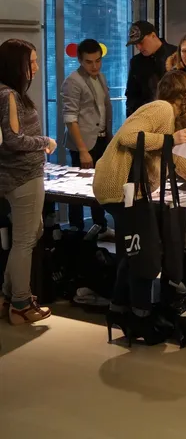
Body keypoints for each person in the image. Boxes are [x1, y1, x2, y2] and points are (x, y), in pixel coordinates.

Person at [94, 71, 186, 343]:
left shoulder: (166, 119)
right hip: (123, 190)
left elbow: (179, 164)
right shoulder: (161, 108)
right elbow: (128, 137)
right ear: (184, 94)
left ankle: (119, 311)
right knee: (145, 257)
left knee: (133, 254)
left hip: (122, 191)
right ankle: (141, 318)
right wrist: (171, 139)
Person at [0, 39, 57, 325]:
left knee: (29, 235)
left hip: (16, 176)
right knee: (25, 241)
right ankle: (21, 303)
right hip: (23, 176)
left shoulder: (9, 92)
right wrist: (44, 141)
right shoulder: (8, 94)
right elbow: (13, 139)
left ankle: (8, 296)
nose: (35, 67)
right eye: (31, 62)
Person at [61, 38, 114, 235]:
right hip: (82, 142)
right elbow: (70, 118)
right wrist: (83, 150)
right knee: (78, 188)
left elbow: (103, 108)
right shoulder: (73, 81)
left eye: (98, 61)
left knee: (99, 184)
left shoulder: (101, 77)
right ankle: (76, 229)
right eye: (89, 62)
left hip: (101, 138)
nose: (94, 66)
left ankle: (100, 226)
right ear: (80, 60)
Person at [126, 21, 177, 116]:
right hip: (146, 117)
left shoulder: (176, 55)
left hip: (175, 115)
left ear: (153, 35)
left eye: (141, 42)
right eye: (135, 44)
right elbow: (132, 95)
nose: (138, 47)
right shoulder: (136, 62)